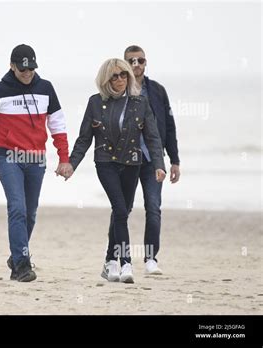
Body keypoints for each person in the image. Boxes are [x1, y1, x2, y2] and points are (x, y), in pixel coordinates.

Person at [61, 58, 166, 283]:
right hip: (106, 162)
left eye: (123, 75)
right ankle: (126, 263)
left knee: (122, 211)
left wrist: (159, 165)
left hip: (132, 163)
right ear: (106, 80)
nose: (119, 79)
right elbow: (84, 139)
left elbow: (152, 137)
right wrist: (71, 164)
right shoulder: (95, 103)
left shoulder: (140, 102)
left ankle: (110, 261)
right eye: (114, 76)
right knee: (119, 209)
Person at [0, 44, 70, 282]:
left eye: (31, 68)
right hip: (8, 157)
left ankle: (16, 254)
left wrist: (64, 158)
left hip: (36, 158)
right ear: (12, 66)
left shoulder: (46, 88)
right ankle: (21, 265)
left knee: (30, 214)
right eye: (22, 69)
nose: (27, 73)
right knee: (17, 209)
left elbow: (58, 126)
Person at [124, 45, 180, 275]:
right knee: (122, 210)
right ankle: (121, 259)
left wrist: (174, 160)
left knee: (154, 208)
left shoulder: (157, 90)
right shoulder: (118, 88)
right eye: (131, 61)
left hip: (152, 160)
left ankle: (150, 259)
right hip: (125, 160)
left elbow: (169, 126)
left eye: (140, 60)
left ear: (146, 63)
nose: (136, 65)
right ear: (125, 63)